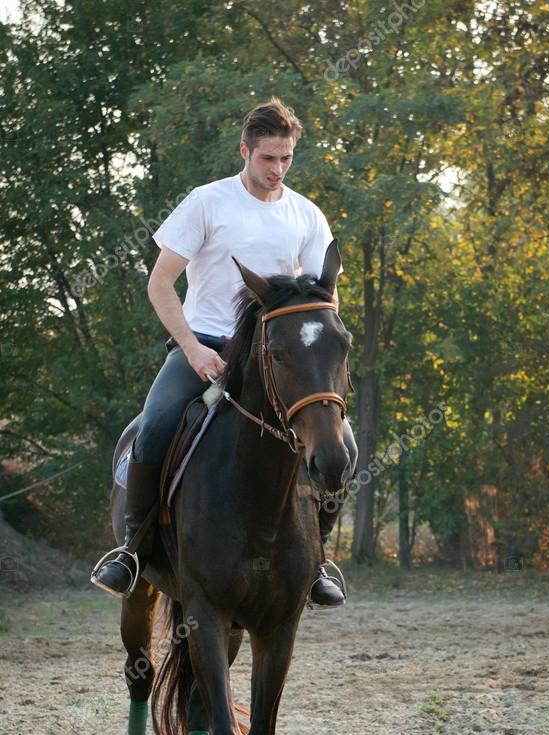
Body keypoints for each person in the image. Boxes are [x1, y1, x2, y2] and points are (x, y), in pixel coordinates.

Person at [91, 97, 356, 608]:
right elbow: (161, 284)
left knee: (344, 446)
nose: (277, 170)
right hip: (206, 349)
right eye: (267, 159)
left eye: (285, 159)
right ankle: (133, 552)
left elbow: (324, 301)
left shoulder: (307, 215)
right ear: (245, 151)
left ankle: (317, 560)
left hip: (278, 361)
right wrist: (190, 350)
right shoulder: (206, 203)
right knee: (154, 430)